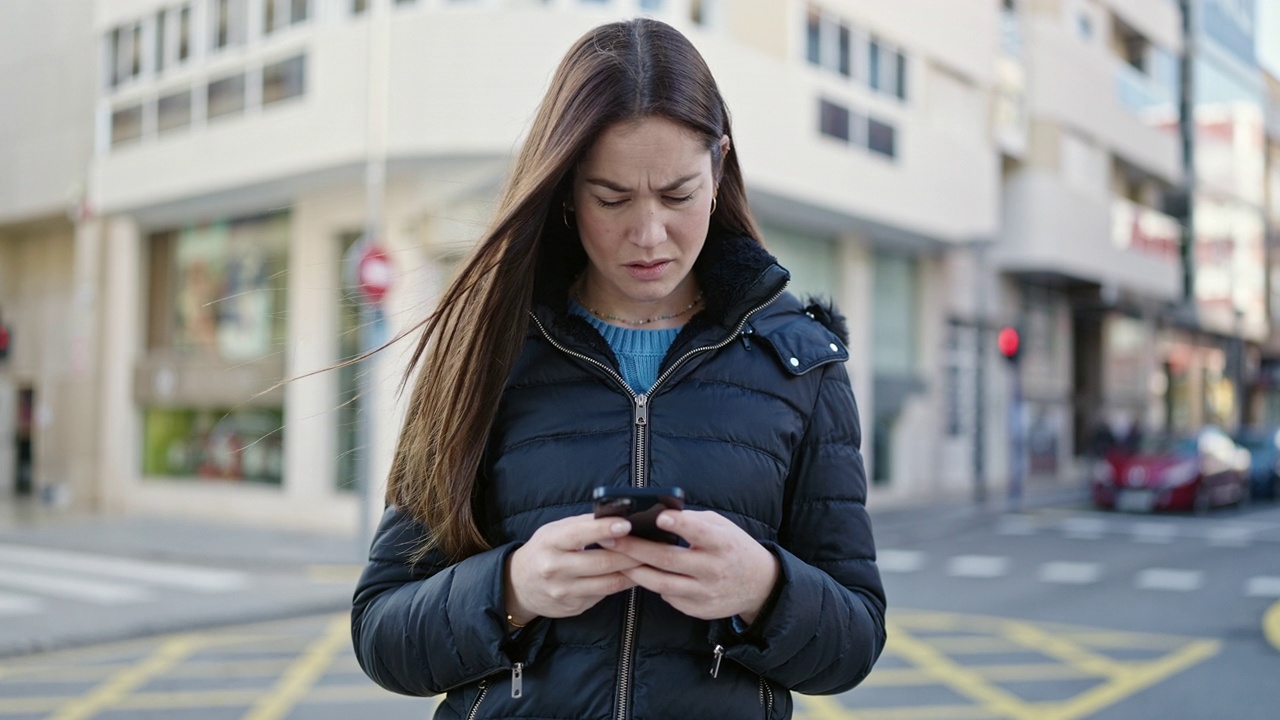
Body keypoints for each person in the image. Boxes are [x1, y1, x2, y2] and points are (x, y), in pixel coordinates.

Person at [351, 18, 886, 719]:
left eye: (676, 194)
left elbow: (854, 640)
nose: (648, 235)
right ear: (567, 187)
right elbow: (381, 631)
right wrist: (511, 589)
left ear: (719, 168)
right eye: (612, 198)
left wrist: (763, 588)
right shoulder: (484, 345)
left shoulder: (800, 360)